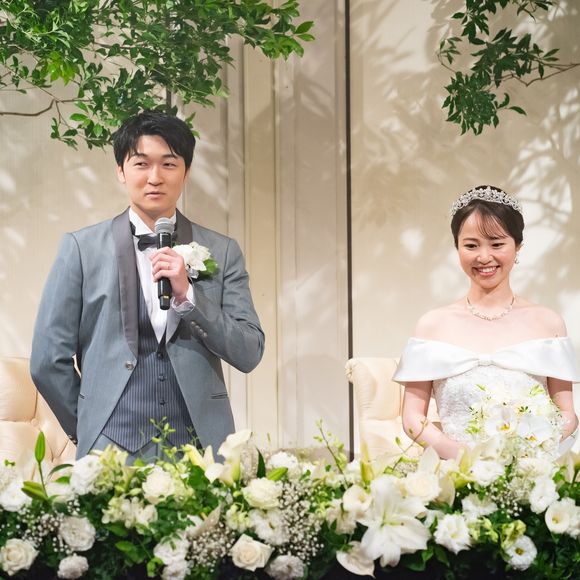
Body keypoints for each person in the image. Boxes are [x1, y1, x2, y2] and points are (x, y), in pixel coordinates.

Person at [30, 110, 265, 460]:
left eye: (169, 164)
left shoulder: (222, 250)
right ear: (121, 171)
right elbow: (47, 361)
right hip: (109, 451)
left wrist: (190, 297)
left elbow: (249, 351)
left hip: (201, 449)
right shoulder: (81, 249)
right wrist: (91, 426)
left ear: (186, 172)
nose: (155, 177)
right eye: (141, 164)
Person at [394, 185, 579, 460]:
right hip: (453, 471)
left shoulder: (548, 323)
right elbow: (412, 418)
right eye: (471, 245)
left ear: (517, 247)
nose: (483, 257)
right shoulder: (431, 326)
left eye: (496, 244)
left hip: (528, 469)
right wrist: (465, 458)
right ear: (457, 247)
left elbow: (567, 414)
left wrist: (525, 453)